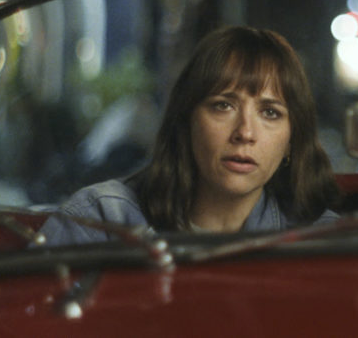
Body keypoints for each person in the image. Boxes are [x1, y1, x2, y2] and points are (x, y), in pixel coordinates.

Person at [37, 25, 340, 246]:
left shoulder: (321, 240)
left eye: (270, 113)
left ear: (291, 140)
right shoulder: (101, 220)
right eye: (223, 106)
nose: (245, 133)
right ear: (187, 120)